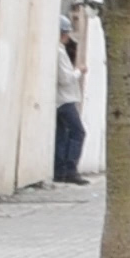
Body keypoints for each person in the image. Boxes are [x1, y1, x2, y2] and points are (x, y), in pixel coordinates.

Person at [53, 16, 87, 185]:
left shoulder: (57, 51)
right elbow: (65, 79)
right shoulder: (59, 52)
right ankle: (70, 169)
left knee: (61, 135)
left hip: (58, 100)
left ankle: (60, 170)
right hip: (65, 100)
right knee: (78, 132)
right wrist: (79, 71)